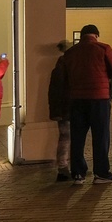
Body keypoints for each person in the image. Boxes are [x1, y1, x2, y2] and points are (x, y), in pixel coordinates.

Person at [63, 24, 112, 183]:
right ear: (96, 35)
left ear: (82, 36)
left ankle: (78, 174)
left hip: (77, 99)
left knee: (77, 137)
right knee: (100, 136)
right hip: (99, 98)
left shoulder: (70, 52)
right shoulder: (103, 48)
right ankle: (101, 173)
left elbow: (66, 76)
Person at [48, 48, 72, 182]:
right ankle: (63, 168)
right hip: (67, 110)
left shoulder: (57, 71)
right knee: (67, 138)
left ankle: (64, 167)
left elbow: (53, 93)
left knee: (65, 138)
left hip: (62, 111)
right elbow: (57, 93)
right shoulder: (66, 72)